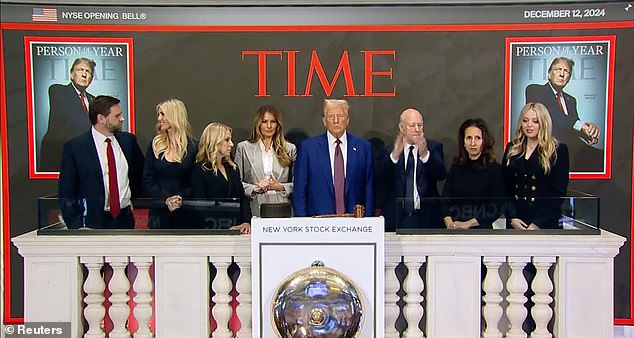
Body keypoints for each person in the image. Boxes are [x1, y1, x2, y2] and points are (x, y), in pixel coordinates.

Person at [58, 95, 144, 229]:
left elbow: (140, 174)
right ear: (101, 119)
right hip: (92, 223)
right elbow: (66, 192)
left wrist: (134, 200)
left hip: (124, 219)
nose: (122, 119)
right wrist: (76, 227)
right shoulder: (75, 148)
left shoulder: (129, 141)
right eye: (117, 116)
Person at [292, 99, 374, 217]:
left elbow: (369, 189)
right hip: (317, 225)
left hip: (354, 224)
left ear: (348, 120)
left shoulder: (363, 148)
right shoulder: (308, 149)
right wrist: (303, 224)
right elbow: (300, 191)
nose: (336, 121)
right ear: (324, 121)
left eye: (340, 116)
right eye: (331, 116)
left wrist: (368, 222)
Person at [525, 56, 601, 172]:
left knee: (600, 157)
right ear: (549, 74)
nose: (562, 74)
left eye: (566, 71)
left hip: (571, 150)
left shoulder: (571, 100)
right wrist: (580, 125)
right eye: (558, 69)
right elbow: (549, 116)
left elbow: (573, 127)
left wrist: (589, 132)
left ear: (569, 78)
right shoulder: (535, 90)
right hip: (546, 149)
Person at [502, 102, 570, 230]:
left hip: (545, 223)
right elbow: (505, 187)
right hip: (516, 222)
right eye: (525, 120)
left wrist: (538, 223)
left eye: (535, 121)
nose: (529, 125)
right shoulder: (512, 148)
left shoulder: (558, 150)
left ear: (544, 123)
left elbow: (557, 193)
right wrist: (512, 217)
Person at [380, 108, 447, 231]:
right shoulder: (390, 151)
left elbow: (441, 174)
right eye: (412, 125)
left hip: (426, 217)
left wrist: (425, 155)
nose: (417, 129)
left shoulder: (433, 147)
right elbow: (381, 179)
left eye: (420, 125)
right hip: (397, 218)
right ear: (402, 127)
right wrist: (394, 156)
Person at [142, 98, 197, 229]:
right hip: (159, 213)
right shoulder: (155, 145)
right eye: (159, 114)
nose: (159, 119)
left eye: (163, 114)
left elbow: (197, 182)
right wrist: (165, 199)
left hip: (186, 213)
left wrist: (180, 199)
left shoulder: (194, 147)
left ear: (175, 116)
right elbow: (147, 179)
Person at [441, 118, 505, 230]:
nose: (473, 143)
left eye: (478, 138)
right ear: (463, 142)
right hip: (455, 230)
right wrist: (449, 223)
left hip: (481, 232)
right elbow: (445, 199)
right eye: (469, 138)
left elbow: (497, 206)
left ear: (484, 141)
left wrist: (468, 224)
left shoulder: (494, 170)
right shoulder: (456, 167)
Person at [234, 105, 297, 217]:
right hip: (255, 207)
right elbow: (236, 183)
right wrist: (255, 188)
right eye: (264, 122)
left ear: (278, 125)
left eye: (273, 122)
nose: (269, 126)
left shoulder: (290, 149)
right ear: (258, 124)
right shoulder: (243, 148)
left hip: (282, 207)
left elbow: (298, 183)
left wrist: (280, 186)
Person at [191, 123, 251, 233]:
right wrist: (225, 228)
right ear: (215, 141)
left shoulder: (232, 168)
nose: (231, 144)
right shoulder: (199, 169)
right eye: (227, 140)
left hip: (238, 229)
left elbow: (242, 199)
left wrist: (246, 222)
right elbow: (201, 206)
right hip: (212, 230)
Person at [40, 57, 97, 172]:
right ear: (71, 74)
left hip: (84, 155)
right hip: (59, 153)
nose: (84, 74)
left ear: (91, 79)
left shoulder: (94, 100)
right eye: (80, 70)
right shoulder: (58, 90)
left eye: (88, 72)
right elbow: (71, 117)